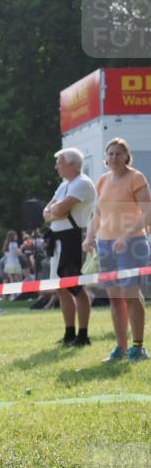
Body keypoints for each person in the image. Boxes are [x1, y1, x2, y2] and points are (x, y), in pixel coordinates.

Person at [83, 137, 151, 363]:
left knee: (131, 296)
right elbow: (98, 214)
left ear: (127, 156)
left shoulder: (136, 178)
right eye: (110, 153)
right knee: (114, 298)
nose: (114, 157)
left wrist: (126, 235)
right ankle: (121, 347)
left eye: (119, 153)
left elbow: (147, 213)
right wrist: (90, 237)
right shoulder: (102, 180)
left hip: (132, 244)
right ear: (106, 157)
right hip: (105, 245)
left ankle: (138, 347)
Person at [44, 147, 98, 347]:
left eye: (59, 162)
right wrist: (54, 211)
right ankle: (69, 334)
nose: (56, 166)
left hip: (73, 239)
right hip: (58, 239)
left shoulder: (82, 183)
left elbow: (58, 208)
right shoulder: (63, 185)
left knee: (76, 287)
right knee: (61, 288)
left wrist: (54, 210)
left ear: (71, 164)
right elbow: (48, 211)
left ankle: (83, 335)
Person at [2, 230, 23, 297]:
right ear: (13, 237)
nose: (17, 237)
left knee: (11, 280)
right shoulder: (14, 244)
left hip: (8, 263)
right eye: (15, 235)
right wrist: (21, 249)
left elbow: (6, 255)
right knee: (18, 279)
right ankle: (18, 293)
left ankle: (12, 295)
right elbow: (18, 253)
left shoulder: (7, 245)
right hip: (15, 263)